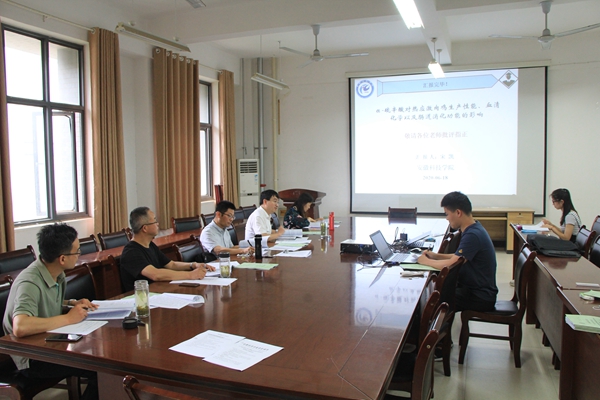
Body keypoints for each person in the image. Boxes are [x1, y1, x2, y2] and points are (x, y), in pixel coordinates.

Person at [2, 224, 99, 400]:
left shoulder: (55, 272)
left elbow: (45, 302)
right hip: (31, 358)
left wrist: (71, 303)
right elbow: (20, 326)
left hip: (49, 344)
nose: (79, 254)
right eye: (77, 251)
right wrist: (68, 318)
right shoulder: (29, 282)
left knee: (97, 357)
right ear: (62, 258)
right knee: (99, 369)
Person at [417, 191, 498, 312]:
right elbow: (458, 257)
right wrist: (435, 256)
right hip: (475, 291)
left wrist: (425, 261)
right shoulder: (473, 228)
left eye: (447, 214)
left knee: (430, 301)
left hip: (479, 296)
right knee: (433, 294)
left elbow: (452, 264)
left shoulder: (473, 235)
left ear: (458, 212)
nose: (447, 218)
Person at [120, 207, 215, 292]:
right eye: (155, 221)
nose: (157, 224)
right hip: (143, 298)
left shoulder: (150, 245)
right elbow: (155, 274)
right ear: (145, 228)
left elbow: (171, 264)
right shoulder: (131, 252)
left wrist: (193, 265)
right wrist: (190, 275)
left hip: (159, 290)